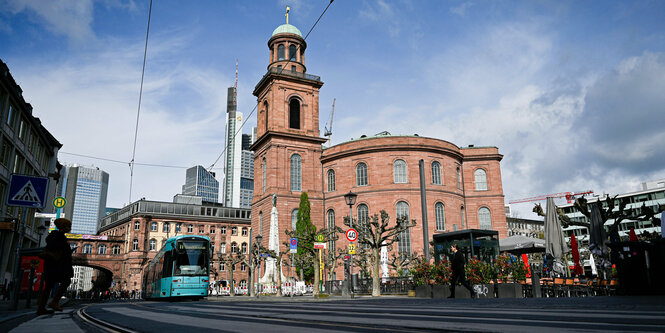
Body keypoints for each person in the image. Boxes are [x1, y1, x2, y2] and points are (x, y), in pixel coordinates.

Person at [36, 218, 74, 315]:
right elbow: (57, 249)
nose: (70, 228)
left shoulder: (55, 236)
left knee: (48, 286)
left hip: (53, 265)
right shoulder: (58, 236)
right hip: (56, 265)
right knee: (65, 281)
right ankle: (54, 302)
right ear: (63, 227)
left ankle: (41, 308)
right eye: (68, 226)